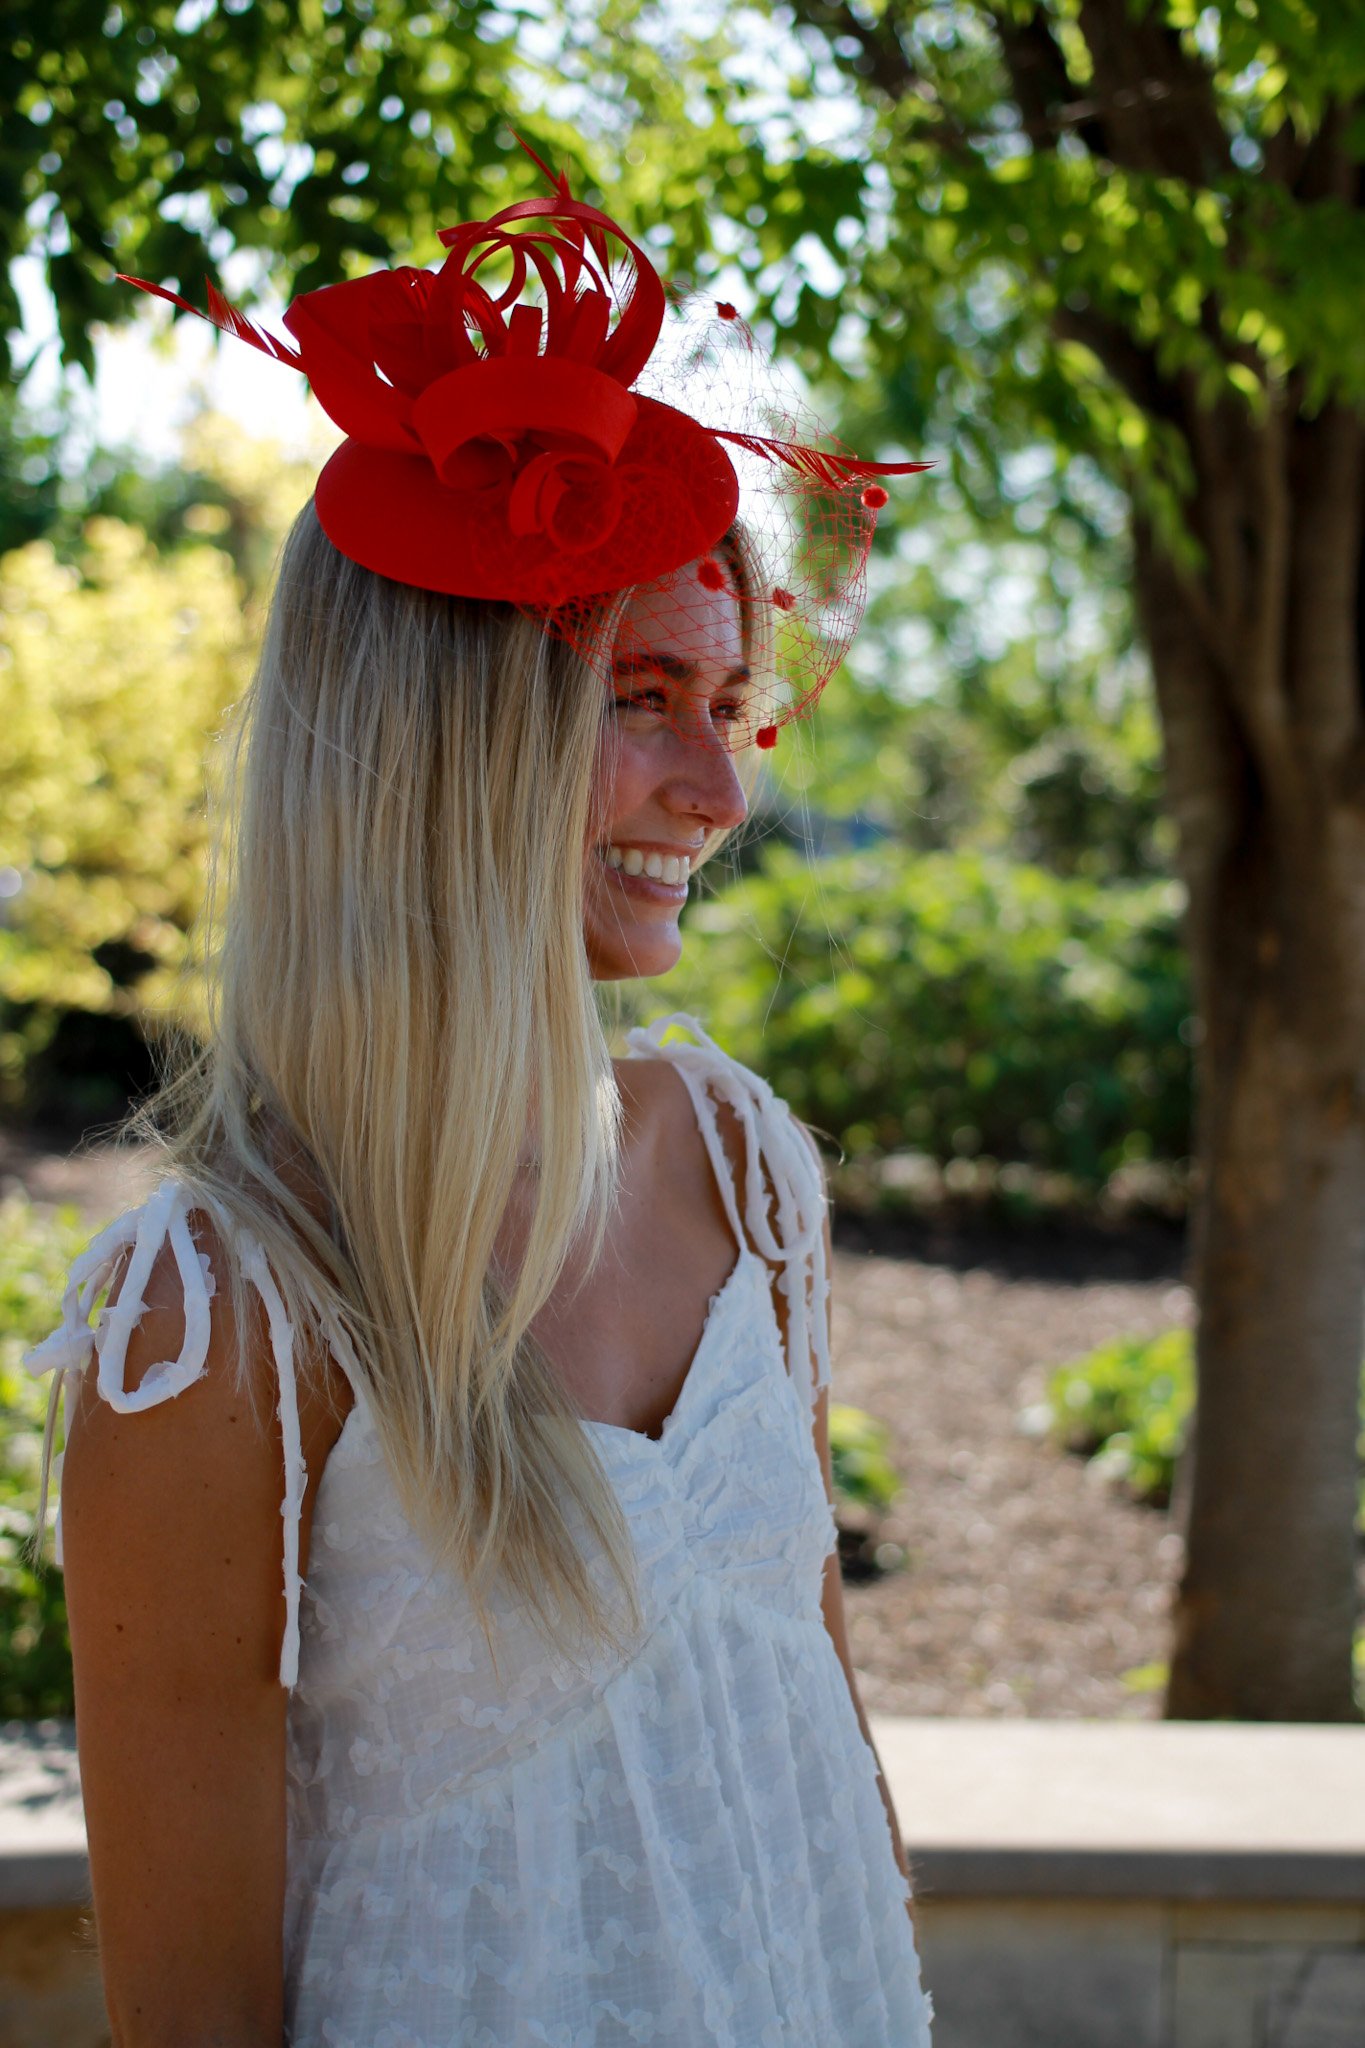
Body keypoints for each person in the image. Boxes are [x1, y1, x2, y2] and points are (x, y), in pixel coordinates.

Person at [26, 160, 935, 2046]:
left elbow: (813, 1763)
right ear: (447, 737)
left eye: (733, 702)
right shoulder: (218, 1329)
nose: (722, 788)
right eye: (644, 696)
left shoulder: (741, 1172)